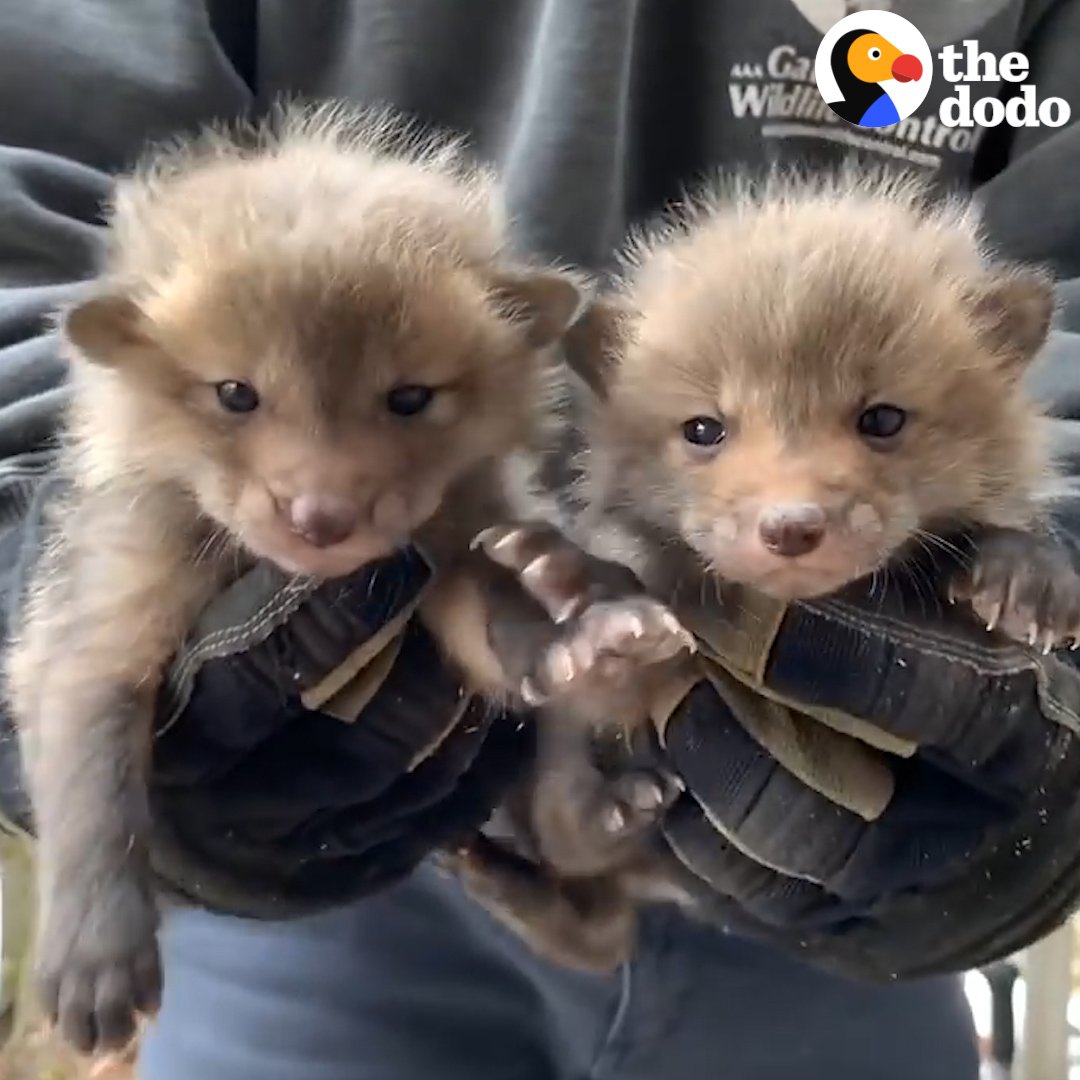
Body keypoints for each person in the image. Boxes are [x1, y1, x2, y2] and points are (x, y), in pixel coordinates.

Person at [2, 1, 1080, 1077]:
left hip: (851, 894)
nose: (323, 495)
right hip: (333, 922)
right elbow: (35, 198)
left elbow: (1041, 320)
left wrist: (1056, 585)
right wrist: (30, 544)